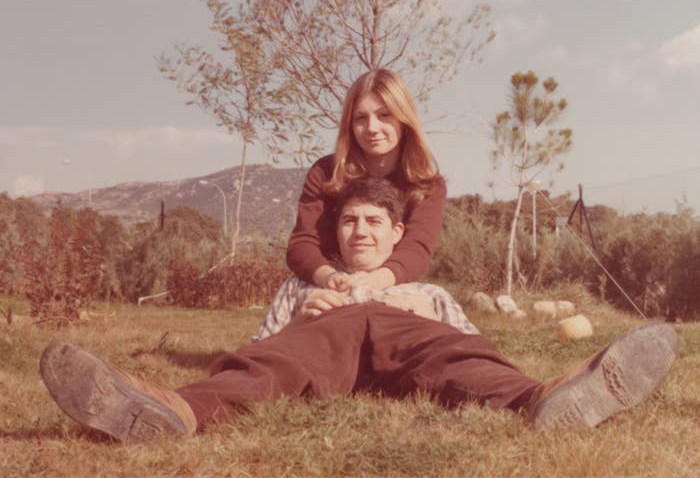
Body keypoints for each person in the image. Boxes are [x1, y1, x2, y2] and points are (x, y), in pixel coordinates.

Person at [39, 178, 679, 443]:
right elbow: (261, 350)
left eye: (375, 221)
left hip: (410, 345)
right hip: (324, 347)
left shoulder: (427, 291)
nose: (361, 231)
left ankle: (541, 399)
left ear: (398, 233)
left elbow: (468, 348)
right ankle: (174, 409)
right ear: (335, 232)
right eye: (349, 221)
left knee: (449, 352)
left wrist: (414, 309)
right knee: (275, 362)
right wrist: (305, 316)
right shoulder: (301, 286)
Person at [286, 68, 447, 293]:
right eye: (361, 118)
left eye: (384, 115)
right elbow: (302, 243)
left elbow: (417, 248)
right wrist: (330, 278)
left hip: (393, 283)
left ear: (404, 120)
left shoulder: (428, 185)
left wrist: (373, 282)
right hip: (330, 284)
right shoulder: (325, 173)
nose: (372, 128)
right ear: (349, 126)